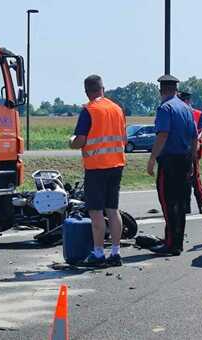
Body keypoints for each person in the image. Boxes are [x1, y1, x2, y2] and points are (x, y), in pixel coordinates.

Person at [70, 75, 127, 268]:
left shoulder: (89, 110)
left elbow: (80, 140)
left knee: (96, 213)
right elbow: (124, 139)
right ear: (103, 88)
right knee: (113, 210)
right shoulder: (117, 109)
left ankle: (98, 253)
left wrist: (71, 142)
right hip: (117, 165)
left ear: (87, 91)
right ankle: (116, 252)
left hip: (96, 167)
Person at [146, 75, 198, 256]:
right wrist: (192, 161)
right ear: (176, 90)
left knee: (168, 203)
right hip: (184, 159)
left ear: (161, 90)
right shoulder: (186, 108)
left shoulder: (165, 108)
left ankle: (170, 243)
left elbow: (162, 135)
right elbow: (194, 137)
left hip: (169, 160)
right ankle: (177, 241)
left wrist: (152, 159)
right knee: (181, 203)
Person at [178, 90, 202, 215]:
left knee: (195, 178)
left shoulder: (198, 114)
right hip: (181, 149)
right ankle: (186, 206)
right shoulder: (178, 113)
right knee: (182, 180)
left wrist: (197, 136)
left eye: (186, 100)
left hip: (194, 150)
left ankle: (201, 204)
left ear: (189, 101)